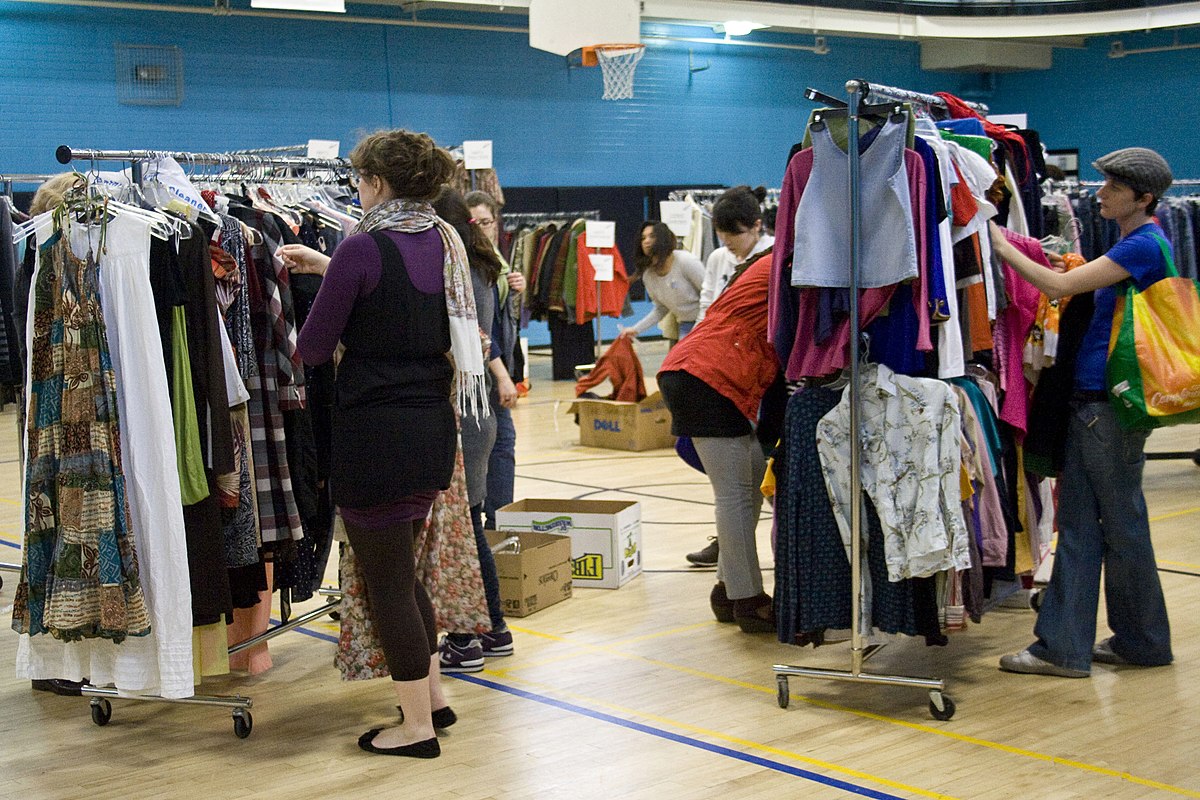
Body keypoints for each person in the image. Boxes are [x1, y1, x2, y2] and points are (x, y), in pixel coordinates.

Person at [280, 129, 487, 758]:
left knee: (387, 583)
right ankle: (436, 699)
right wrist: (329, 267)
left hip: (373, 434)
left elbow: (312, 349)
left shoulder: (362, 247)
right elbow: (400, 296)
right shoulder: (443, 239)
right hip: (429, 430)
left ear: (375, 182)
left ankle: (416, 729)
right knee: (406, 573)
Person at [990, 147, 1175, 678]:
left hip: (1104, 402)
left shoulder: (1143, 243)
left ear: (1143, 198)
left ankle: (1063, 649)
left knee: (1086, 526)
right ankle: (1140, 641)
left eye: (1113, 188)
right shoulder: (1135, 242)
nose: (1101, 194)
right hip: (1108, 402)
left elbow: (1059, 287)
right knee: (1118, 525)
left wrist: (999, 243)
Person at [657, 248, 783, 632]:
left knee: (749, 485)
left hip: (697, 370)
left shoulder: (765, 268)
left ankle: (727, 592)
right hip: (707, 376)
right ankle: (747, 600)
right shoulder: (786, 268)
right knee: (734, 493)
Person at [431, 188, 516, 672]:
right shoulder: (479, 264)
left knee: (464, 530)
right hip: (473, 407)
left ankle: (469, 636)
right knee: (471, 523)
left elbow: (469, 342)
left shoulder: (460, 271)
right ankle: (493, 629)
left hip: (464, 411)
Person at [686, 185, 775, 568]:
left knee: (751, 478)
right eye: (723, 238)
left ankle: (734, 552)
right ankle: (730, 549)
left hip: (755, 369)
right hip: (722, 363)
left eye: (735, 237)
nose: (729, 246)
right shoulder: (720, 257)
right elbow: (708, 302)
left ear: (757, 226)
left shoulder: (771, 257)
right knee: (737, 484)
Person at [465, 190, 526, 532]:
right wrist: (502, 375)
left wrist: (513, 289)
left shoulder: (495, 262)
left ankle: (499, 520)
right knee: (494, 444)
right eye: (474, 222)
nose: (481, 229)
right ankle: (491, 520)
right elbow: (477, 327)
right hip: (483, 373)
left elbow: (499, 323)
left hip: (496, 367)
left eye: (486, 222)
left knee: (502, 443)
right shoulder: (474, 264)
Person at [618, 221, 705, 343]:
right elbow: (661, 309)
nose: (646, 241)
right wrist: (635, 329)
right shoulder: (648, 275)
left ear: (663, 238)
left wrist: (701, 327)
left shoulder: (686, 261)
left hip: (707, 322)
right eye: (643, 238)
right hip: (685, 324)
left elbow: (711, 297)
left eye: (652, 236)